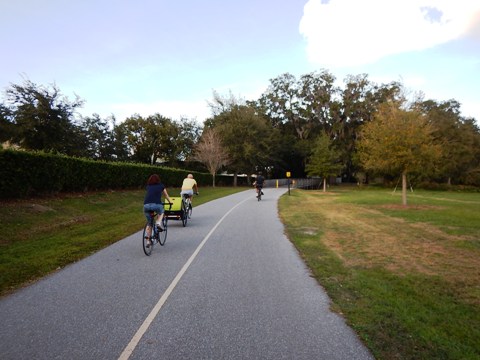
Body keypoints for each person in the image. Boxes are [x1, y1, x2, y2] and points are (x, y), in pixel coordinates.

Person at [143, 174, 172, 245]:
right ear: (158, 180)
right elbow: (166, 195)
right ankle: (158, 223)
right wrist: (170, 202)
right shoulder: (161, 185)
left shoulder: (148, 186)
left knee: (149, 223)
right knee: (161, 211)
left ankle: (148, 241)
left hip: (146, 205)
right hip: (156, 204)